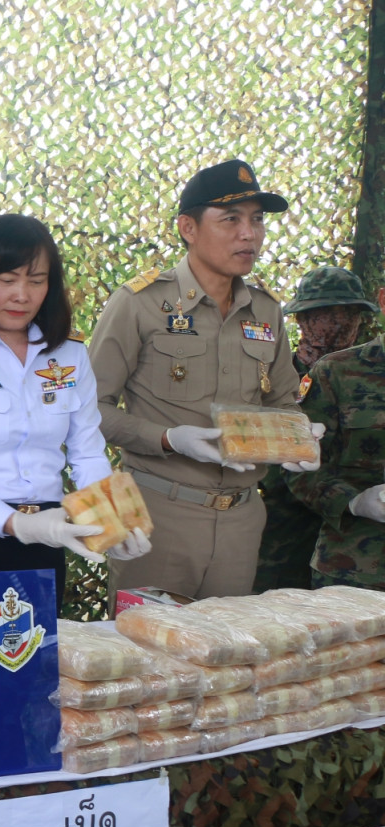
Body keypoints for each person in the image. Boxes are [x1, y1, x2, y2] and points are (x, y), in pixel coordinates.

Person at [89, 159, 320, 600]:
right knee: (148, 642)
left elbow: (283, 402)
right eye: (231, 219)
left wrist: (298, 437)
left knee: (226, 643)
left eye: (257, 220)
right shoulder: (140, 303)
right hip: (156, 512)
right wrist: (169, 438)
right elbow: (87, 410)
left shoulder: (266, 310)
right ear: (188, 228)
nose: (249, 234)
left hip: (241, 519)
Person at [0, 214, 150, 609]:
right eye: (7, 280)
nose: (22, 295)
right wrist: (15, 524)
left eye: (37, 281)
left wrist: (112, 523)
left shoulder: (69, 352)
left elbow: (87, 452)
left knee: (36, 647)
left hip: (49, 533)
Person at [253, 266, 381, 591]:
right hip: (286, 529)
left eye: (346, 315)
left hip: (353, 536)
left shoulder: (359, 372)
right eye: (322, 315)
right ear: (301, 319)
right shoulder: (269, 377)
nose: (334, 324)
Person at [285, 293, 385, 590]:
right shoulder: (337, 372)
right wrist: (354, 501)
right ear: (384, 299)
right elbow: (298, 465)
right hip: (356, 571)